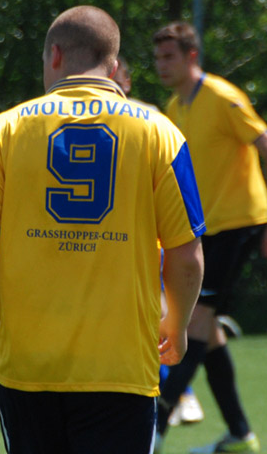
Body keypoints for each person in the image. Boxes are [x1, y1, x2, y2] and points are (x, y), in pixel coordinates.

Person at [0, 5, 206, 454]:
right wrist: (177, 326)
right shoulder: (161, 134)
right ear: (114, 67)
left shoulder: (2, 131)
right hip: (121, 369)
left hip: (29, 371)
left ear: (55, 56)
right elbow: (187, 256)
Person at [152, 21, 267, 454]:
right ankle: (240, 434)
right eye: (157, 58)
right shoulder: (173, 107)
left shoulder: (223, 96)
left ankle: (154, 431)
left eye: (169, 57)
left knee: (194, 321)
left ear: (192, 56)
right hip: (205, 232)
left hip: (239, 224)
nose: (161, 65)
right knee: (207, 332)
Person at [113, 54, 205, 427]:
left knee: (153, 319)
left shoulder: (148, 119)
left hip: (144, 244)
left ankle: (180, 393)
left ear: (126, 81)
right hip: (113, 246)